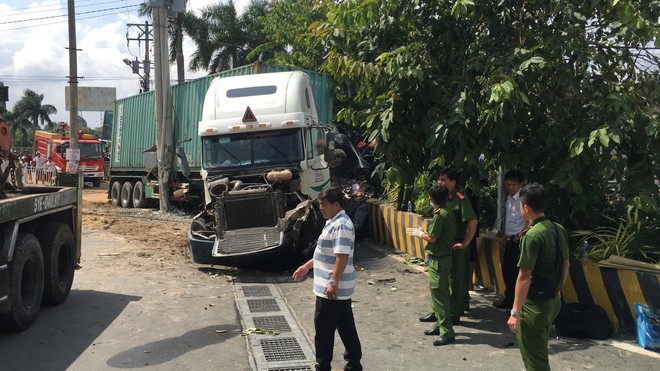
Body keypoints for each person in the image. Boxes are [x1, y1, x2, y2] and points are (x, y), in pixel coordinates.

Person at [292, 187, 362, 371]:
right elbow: (325, 254)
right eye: (320, 204)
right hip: (336, 288)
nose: (321, 208)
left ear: (336, 204)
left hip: (331, 289)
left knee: (323, 331)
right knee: (345, 327)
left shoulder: (341, 225)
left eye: (324, 204)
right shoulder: (334, 221)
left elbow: (341, 256)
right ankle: (353, 364)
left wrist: (333, 283)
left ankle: (323, 367)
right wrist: (306, 266)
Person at [507, 183, 570, 371]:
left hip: (535, 306)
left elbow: (524, 277)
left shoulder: (532, 235)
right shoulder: (558, 229)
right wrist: (557, 290)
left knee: (535, 358)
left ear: (526, 207)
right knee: (539, 349)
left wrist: (515, 312)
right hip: (553, 300)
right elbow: (567, 264)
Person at [406, 185, 457, 346]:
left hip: (439, 260)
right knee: (437, 295)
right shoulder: (448, 212)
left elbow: (433, 238)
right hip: (443, 258)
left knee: (440, 296)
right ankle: (439, 325)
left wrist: (420, 233)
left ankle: (447, 332)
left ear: (434, 199)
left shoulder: (440, 216)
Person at [494, 170, 529, 309]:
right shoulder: (509, 198)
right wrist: (504, 236)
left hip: (518, 240)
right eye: (507, 184)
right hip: (509, 238)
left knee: (516, 273)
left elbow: (528, 220)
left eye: (513, 185)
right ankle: (509, 299)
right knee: (506, 270)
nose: (510, 187)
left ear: (520, 184)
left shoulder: (523, 199)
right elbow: (509, 220)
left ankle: (517, 304)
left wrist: (519, 235)